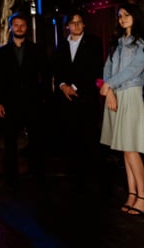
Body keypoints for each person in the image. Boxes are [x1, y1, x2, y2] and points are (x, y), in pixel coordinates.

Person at [99, 2, 144, 215]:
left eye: (126, 15)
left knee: (131, 148)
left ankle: (143, 196)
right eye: (120, 16)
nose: (122, 19)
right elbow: (107, 67)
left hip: (131, 93)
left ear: (135, 16)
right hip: (116, 95)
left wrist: (109, 85)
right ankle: (132, 194)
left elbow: (135, 69)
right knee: (124, 148)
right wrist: (109, 90)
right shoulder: (117, 41)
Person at [0, 10, 50, 185]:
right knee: (10, 140)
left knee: (36, 139)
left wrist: (44, 97)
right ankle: (11, 178)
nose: (19, 28)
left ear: (27, 27)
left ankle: (38, 176)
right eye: (16, 25)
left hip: (33, 101)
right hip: (10, 102)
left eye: (22, 25)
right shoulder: (3, 52)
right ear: (11, 27)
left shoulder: (36, 50)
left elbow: (46, 75)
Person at [52, 10, 103, 178]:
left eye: (79, 22)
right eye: (73, 23)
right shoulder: (62, 45)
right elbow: (57, 69)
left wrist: (74, 86)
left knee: (88, 136)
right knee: (70, 136)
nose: (76, 25)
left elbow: (95, 68)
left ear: (84, 24)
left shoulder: (93, 42)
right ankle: (74, 174)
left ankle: (91, 174)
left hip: (86, 97)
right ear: (67, 26)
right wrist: (63, 86)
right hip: (66, 99)